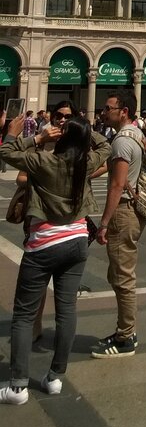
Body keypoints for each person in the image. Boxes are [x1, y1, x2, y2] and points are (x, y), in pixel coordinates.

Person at [0, 109, 111, 404]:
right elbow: (107, 146)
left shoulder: (43, 160)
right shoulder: (85, 163)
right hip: (77, 241)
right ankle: (55, 378)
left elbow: (6, 151)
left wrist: (34, 134)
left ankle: (18, 386)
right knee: (66, 311)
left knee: (24, 316)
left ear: (61, 137)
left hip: (45, 245)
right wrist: (84, 130)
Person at [91, 89, 146, 357]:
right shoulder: (135, 135)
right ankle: (125, 331)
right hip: (131, 209)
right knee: (119, 273)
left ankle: (126, 337)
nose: (104, 112)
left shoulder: (122, 141)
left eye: (108, 108)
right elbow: (115, 168)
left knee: (123, 276)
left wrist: (103, 223)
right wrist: (91, 173)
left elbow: (117, 184)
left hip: (124, 210)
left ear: (123, 111)